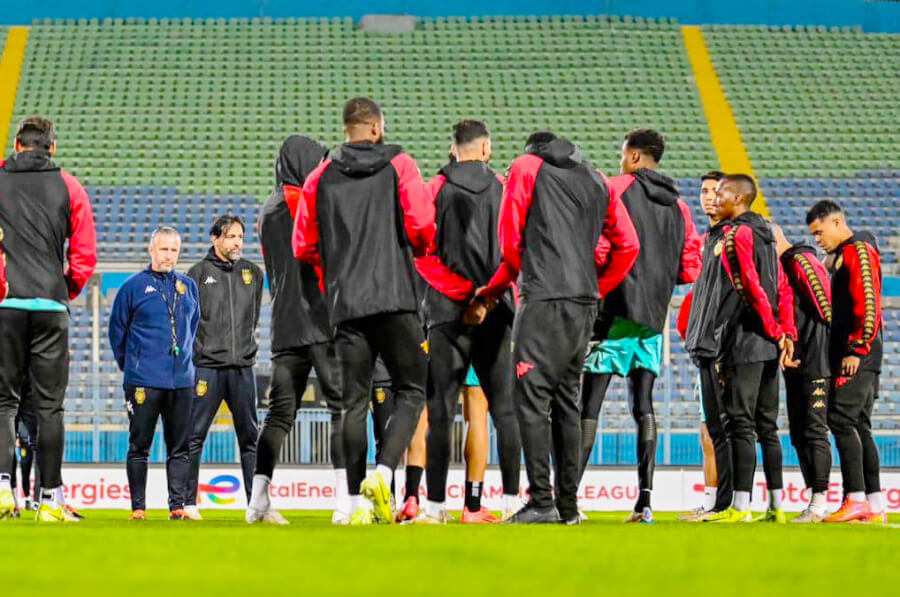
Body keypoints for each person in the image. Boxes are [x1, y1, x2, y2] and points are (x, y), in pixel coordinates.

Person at [475, 131, 639, 524]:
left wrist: (496, 288)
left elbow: (511, 240)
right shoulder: (597, 176)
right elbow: (629, 245)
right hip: (582, 302)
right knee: (567, 401)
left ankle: (542, 502)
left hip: (543, 296)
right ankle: (568, 506)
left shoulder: (527, 167)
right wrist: (596, 287)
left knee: (530, 399)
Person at [293, 97, 434, 525]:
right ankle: (384, 472)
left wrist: (330, 281)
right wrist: (418, 252)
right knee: (412, 389)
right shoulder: (401, 165)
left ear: (346, 129)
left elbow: (304, 246)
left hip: (347, 304)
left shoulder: (320, 175)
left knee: (349, 405)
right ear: (376, 128)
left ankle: (351, 505)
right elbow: (422, 223)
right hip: (396, 299)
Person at [578, 129, 702, 523]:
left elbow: (599, 248)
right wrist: (659, 279)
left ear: (633, 156)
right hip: (653, 320)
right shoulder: (679, 206)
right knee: (643, 406)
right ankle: (644, 503)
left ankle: (568, 497)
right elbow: (691, 265)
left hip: (612, 314)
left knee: (589, 408)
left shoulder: (614, 189)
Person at [414, 120, 521, 524]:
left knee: (440, 411)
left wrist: (462, 295)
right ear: (487, 148)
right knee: (504, 411)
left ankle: (435, 508)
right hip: (496, 311)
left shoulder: (433, 189)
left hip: (446, 313)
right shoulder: (505, 187)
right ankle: (513, 506)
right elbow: (517, 250)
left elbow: (421, 254)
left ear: (453, 148)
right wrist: (487, 296)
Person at [0, 117, 97, 522]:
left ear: (17, 145)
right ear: (51, 147)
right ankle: (50, 500)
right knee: (50, 408)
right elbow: (85, 255)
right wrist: (63, 290)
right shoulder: (70, 186)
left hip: (6, 305)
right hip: (50, 306)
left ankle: (4, 491)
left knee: (3, 402)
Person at [250, 135, 346, 525]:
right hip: (321, 321)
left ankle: (257, 501)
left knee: (279, 415)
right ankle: (345, 501)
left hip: (285, 326)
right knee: (342, 409)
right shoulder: (305, 202)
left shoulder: (266, 209)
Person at [704, 175, 797, 523]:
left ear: (740, 198)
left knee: (741, 425)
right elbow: (783, 287)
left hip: (744, 341)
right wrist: (785, 332)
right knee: (768, 426)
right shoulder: (769, 232)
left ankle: (739, 507)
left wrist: (774, 330)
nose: (716, 196)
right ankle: (777, 506)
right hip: (771, 345)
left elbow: (752, 289)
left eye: (722, 191)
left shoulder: (737, 235)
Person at [108, 227, 200, 520]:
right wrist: (132, 366)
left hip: (182, 382)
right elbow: (116, 332)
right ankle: (138, 507)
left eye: (174, 250)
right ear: (151, 250)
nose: (168, 256)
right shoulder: (132, 287)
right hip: (143, 381)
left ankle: (177, 506)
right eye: (163, 249)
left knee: (180, 448)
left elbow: (193, 326)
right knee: (139, 446)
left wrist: (183, 360)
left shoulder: (188, 286)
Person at [806, 200, 885, 523]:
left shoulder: (858, 250)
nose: (817, 239)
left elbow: (869, 302)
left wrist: (856, 349)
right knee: (859, 426)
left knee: (840, 419)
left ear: (837, 223)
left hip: (858, 354)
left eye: (820, 232)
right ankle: (875, 505)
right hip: (861, 352)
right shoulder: (845, 254)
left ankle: (854, 499)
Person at [184, 214, 264, 520]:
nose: (237, 242)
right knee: (194, 435)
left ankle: (255, 505)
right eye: (231, 236)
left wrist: (241, 348)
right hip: (206, 368)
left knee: (250, 438)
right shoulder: (197, 273)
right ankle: (188, 503)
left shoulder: (252, 273)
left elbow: (252, 317)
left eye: (240, 237)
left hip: (243, 366)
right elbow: (190, 321)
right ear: (214, 239)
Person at [770, 223, 834, 523]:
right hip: (796, 362)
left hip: (815, 362)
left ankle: (820, 501)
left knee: (814, 429)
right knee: (798, 433)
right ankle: (814, 500)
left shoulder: (800, 261)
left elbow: (827, 307)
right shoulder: (785, 265)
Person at [677, 170, 728, 521]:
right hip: (705, 349)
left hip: (725, 350)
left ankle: (729, 501)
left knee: (724, 430)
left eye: (716, 191)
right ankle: (713, 500)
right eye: (704, 191)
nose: (708, 197)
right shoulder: (707, 238)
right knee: (707, 432)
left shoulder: (733, 237)